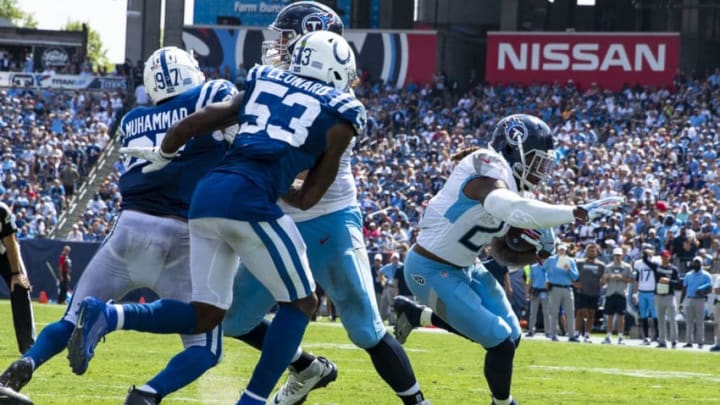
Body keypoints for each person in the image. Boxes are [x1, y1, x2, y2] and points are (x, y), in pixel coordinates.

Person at [70, 31, 366, 405]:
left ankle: (110, 317)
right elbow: (307, 199)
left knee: (207, 314)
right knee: (301, 303)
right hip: (250, 202)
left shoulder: (265, 81)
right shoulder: (343, 117)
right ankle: (254, 400)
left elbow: (186, 127)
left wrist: (163, 153)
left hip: (206, 199)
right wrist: (275, 181)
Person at [0, 46, 236, 405]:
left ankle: (24, 366)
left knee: (70, 319)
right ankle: (147, 394)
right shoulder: (211, 93)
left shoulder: (132, 119)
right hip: (181, 234)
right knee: (205, 346)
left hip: (127, 229)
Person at [224, 4, 428, 404]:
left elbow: (301, 181)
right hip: (278, 222)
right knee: (232, 319)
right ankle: (305, 367)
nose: (277, 46)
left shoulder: (340, 101)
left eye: (286, 38)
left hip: (328, 222)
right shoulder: (272, 81)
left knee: (365, 328)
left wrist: (244, 154)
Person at [397, 114, 623, 405]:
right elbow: (508, 207)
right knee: (500, 341)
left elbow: (500, 253)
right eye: (537, 160)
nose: (542, 169)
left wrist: (535, 251)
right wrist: (574, 213)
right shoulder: (486, 164)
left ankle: (415, 315)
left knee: (512, 336)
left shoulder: (514, 185)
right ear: (514, 148)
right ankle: (503, 403)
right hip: (429, 268)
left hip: (466, 266)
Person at [0, 202, 35, 354]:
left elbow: (10, 241)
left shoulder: (1, 211)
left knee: (20, 286)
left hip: (4, 251)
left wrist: (16, 273)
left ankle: (28, 345)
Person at [642, 249, 681, 349]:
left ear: (669, 257)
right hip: (658, 296)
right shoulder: (657, 267)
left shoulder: (674, 269)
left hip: (669, 296)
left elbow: (679, 284)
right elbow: (645, 261)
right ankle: (662, 340)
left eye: (666, 256)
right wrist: (646, 252)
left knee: (672, 319)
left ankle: (674, 341)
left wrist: (669, 281)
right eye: (663, 256)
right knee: (660, 320)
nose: (664, 258)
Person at [544, 243, 580, 342]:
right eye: (560, 250)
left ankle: (571, 335)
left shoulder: (571, 261)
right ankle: (554, 334)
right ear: (557, 250)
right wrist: (546, 280)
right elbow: (543, 270)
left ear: (566, 251)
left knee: (570, 312)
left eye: (563, 250)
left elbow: (575, 276)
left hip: (567, 288)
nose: (561, 252)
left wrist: (569, 270)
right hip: (555, 288)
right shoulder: (551, 260)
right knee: (554, 312)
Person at [601, 247, 633, 345]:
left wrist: (622, 278)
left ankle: (620, 336)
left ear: (621, 256)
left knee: (621, 316)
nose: (617, 257)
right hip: (610, 293)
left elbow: (631, 279)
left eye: (619, 255)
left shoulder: (627, 267)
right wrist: (607, 277)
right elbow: (603, 281)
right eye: (615, 255)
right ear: (613, 256)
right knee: (609, 316)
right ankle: (608, 336)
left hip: (621, 293)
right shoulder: (608, 266)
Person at [574, 243, 605, 343]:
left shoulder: (601, 265)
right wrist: (574, 283)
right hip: (582, 292)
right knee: (580, 312)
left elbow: (604, 279)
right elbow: (570, 273)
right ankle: (576, 333)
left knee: (591, 314)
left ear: (596, 252)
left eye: (593, 251)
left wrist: (603, 283)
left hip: (594, 293)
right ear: (586, 252)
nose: (591, 252)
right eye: (589, 251)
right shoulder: (579, 263)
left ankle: (587, 334)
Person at [679, 256, 713, 349]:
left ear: (701, 264)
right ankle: (688, 341)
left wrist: (703, 292)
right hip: (689, 299)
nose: (696, 264)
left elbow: (710, 289)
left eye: (698, 262)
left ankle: (700, 341)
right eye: (695, 262)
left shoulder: (707, 275)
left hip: (700, 299)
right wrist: (681, 302)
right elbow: (684, 289)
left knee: (700, 322)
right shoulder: (688, 275)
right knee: (689, 321)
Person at [633, 243, 658, 345]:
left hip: (652, 291)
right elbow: (637, 279)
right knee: (643, 315)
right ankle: (646, 336)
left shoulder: (657, 260)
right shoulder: (638, 263)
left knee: (654, 315)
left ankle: (657, 335)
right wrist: (635, 293)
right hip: (642, 291)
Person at [526, 261, 550, 338]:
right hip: (535, 291)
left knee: (546, 312)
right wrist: (527, 292)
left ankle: (548, 331)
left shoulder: (547, 267)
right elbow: (530, 280)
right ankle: (531, 331)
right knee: (533, 312)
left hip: (545, 292)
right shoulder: (533, 267)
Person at [711, 276, 720, 352]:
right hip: (719, 303)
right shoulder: (719, 278)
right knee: (717, 323)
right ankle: (716, 343)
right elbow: (716, 290)